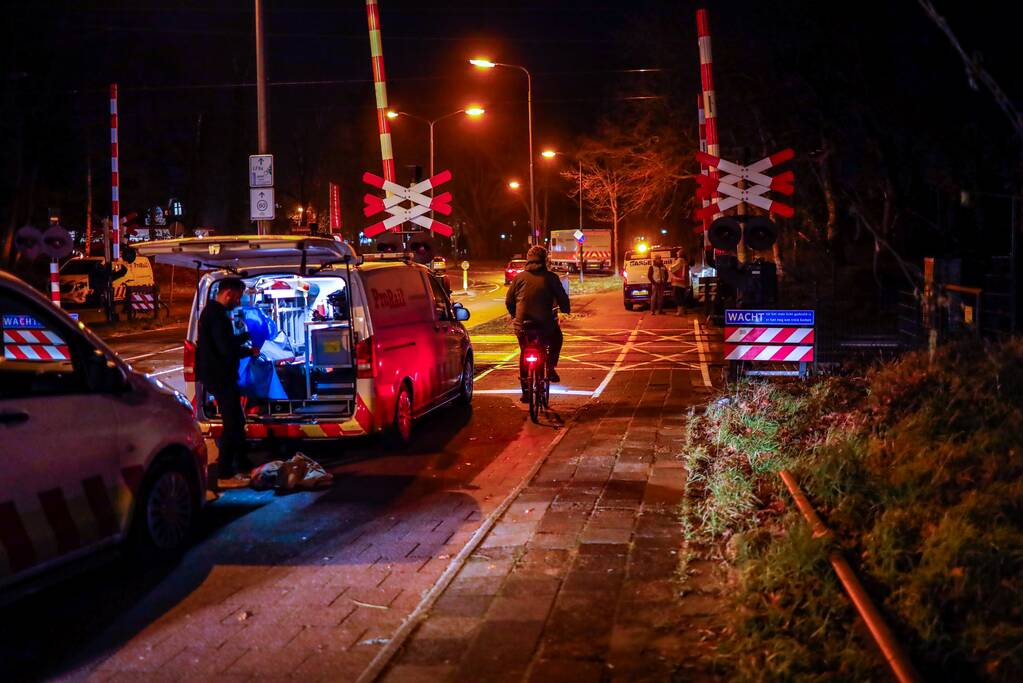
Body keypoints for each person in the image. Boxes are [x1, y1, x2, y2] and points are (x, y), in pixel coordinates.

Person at [196, 277, 258, 487]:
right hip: (219, 377)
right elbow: (225, 350)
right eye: (238, 297)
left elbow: (224, 341)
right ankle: (224, 474)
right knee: (232, 424)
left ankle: (242, 464)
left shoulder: (212, 312)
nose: (239, 302)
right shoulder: (217, 316)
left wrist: (244, 337)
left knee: (238, 421)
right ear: (228, 293)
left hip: (218, 375)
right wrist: (250, 351)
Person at [505, 245, 571, 403]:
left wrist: (515, 316)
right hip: (545, 324)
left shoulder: (519, 278)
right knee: (557, 338)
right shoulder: (551, 278)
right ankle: (551, 367)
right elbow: (562, 298)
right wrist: (566, 309)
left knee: (524, 352)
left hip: (523, 325)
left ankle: (526, 392)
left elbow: (509, 300)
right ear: (545, 260)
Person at [670, 249, 691, 316]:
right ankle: (684, 310)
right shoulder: (685, 261)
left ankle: (680, 312)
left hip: (678, 282)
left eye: (678, 252)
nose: (676, 253)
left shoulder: (680, 260)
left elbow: (673, 268)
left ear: (680, 254)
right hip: (683, 282)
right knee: (681, 297)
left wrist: (669, 267)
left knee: (677, 297)